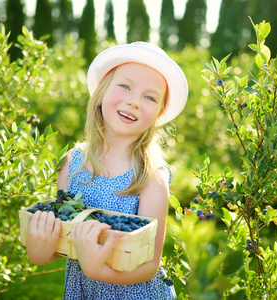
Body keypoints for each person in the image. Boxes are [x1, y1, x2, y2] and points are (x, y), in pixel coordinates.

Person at [26, 41, 188, 299]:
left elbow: (149, 265)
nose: (134, 101)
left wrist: (97, 269)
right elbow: (64, 237)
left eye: (150, 97)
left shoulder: (150, 176)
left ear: (158, 114)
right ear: (101, 94)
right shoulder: (72, 163)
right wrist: (40, 250)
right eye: (125, 86)